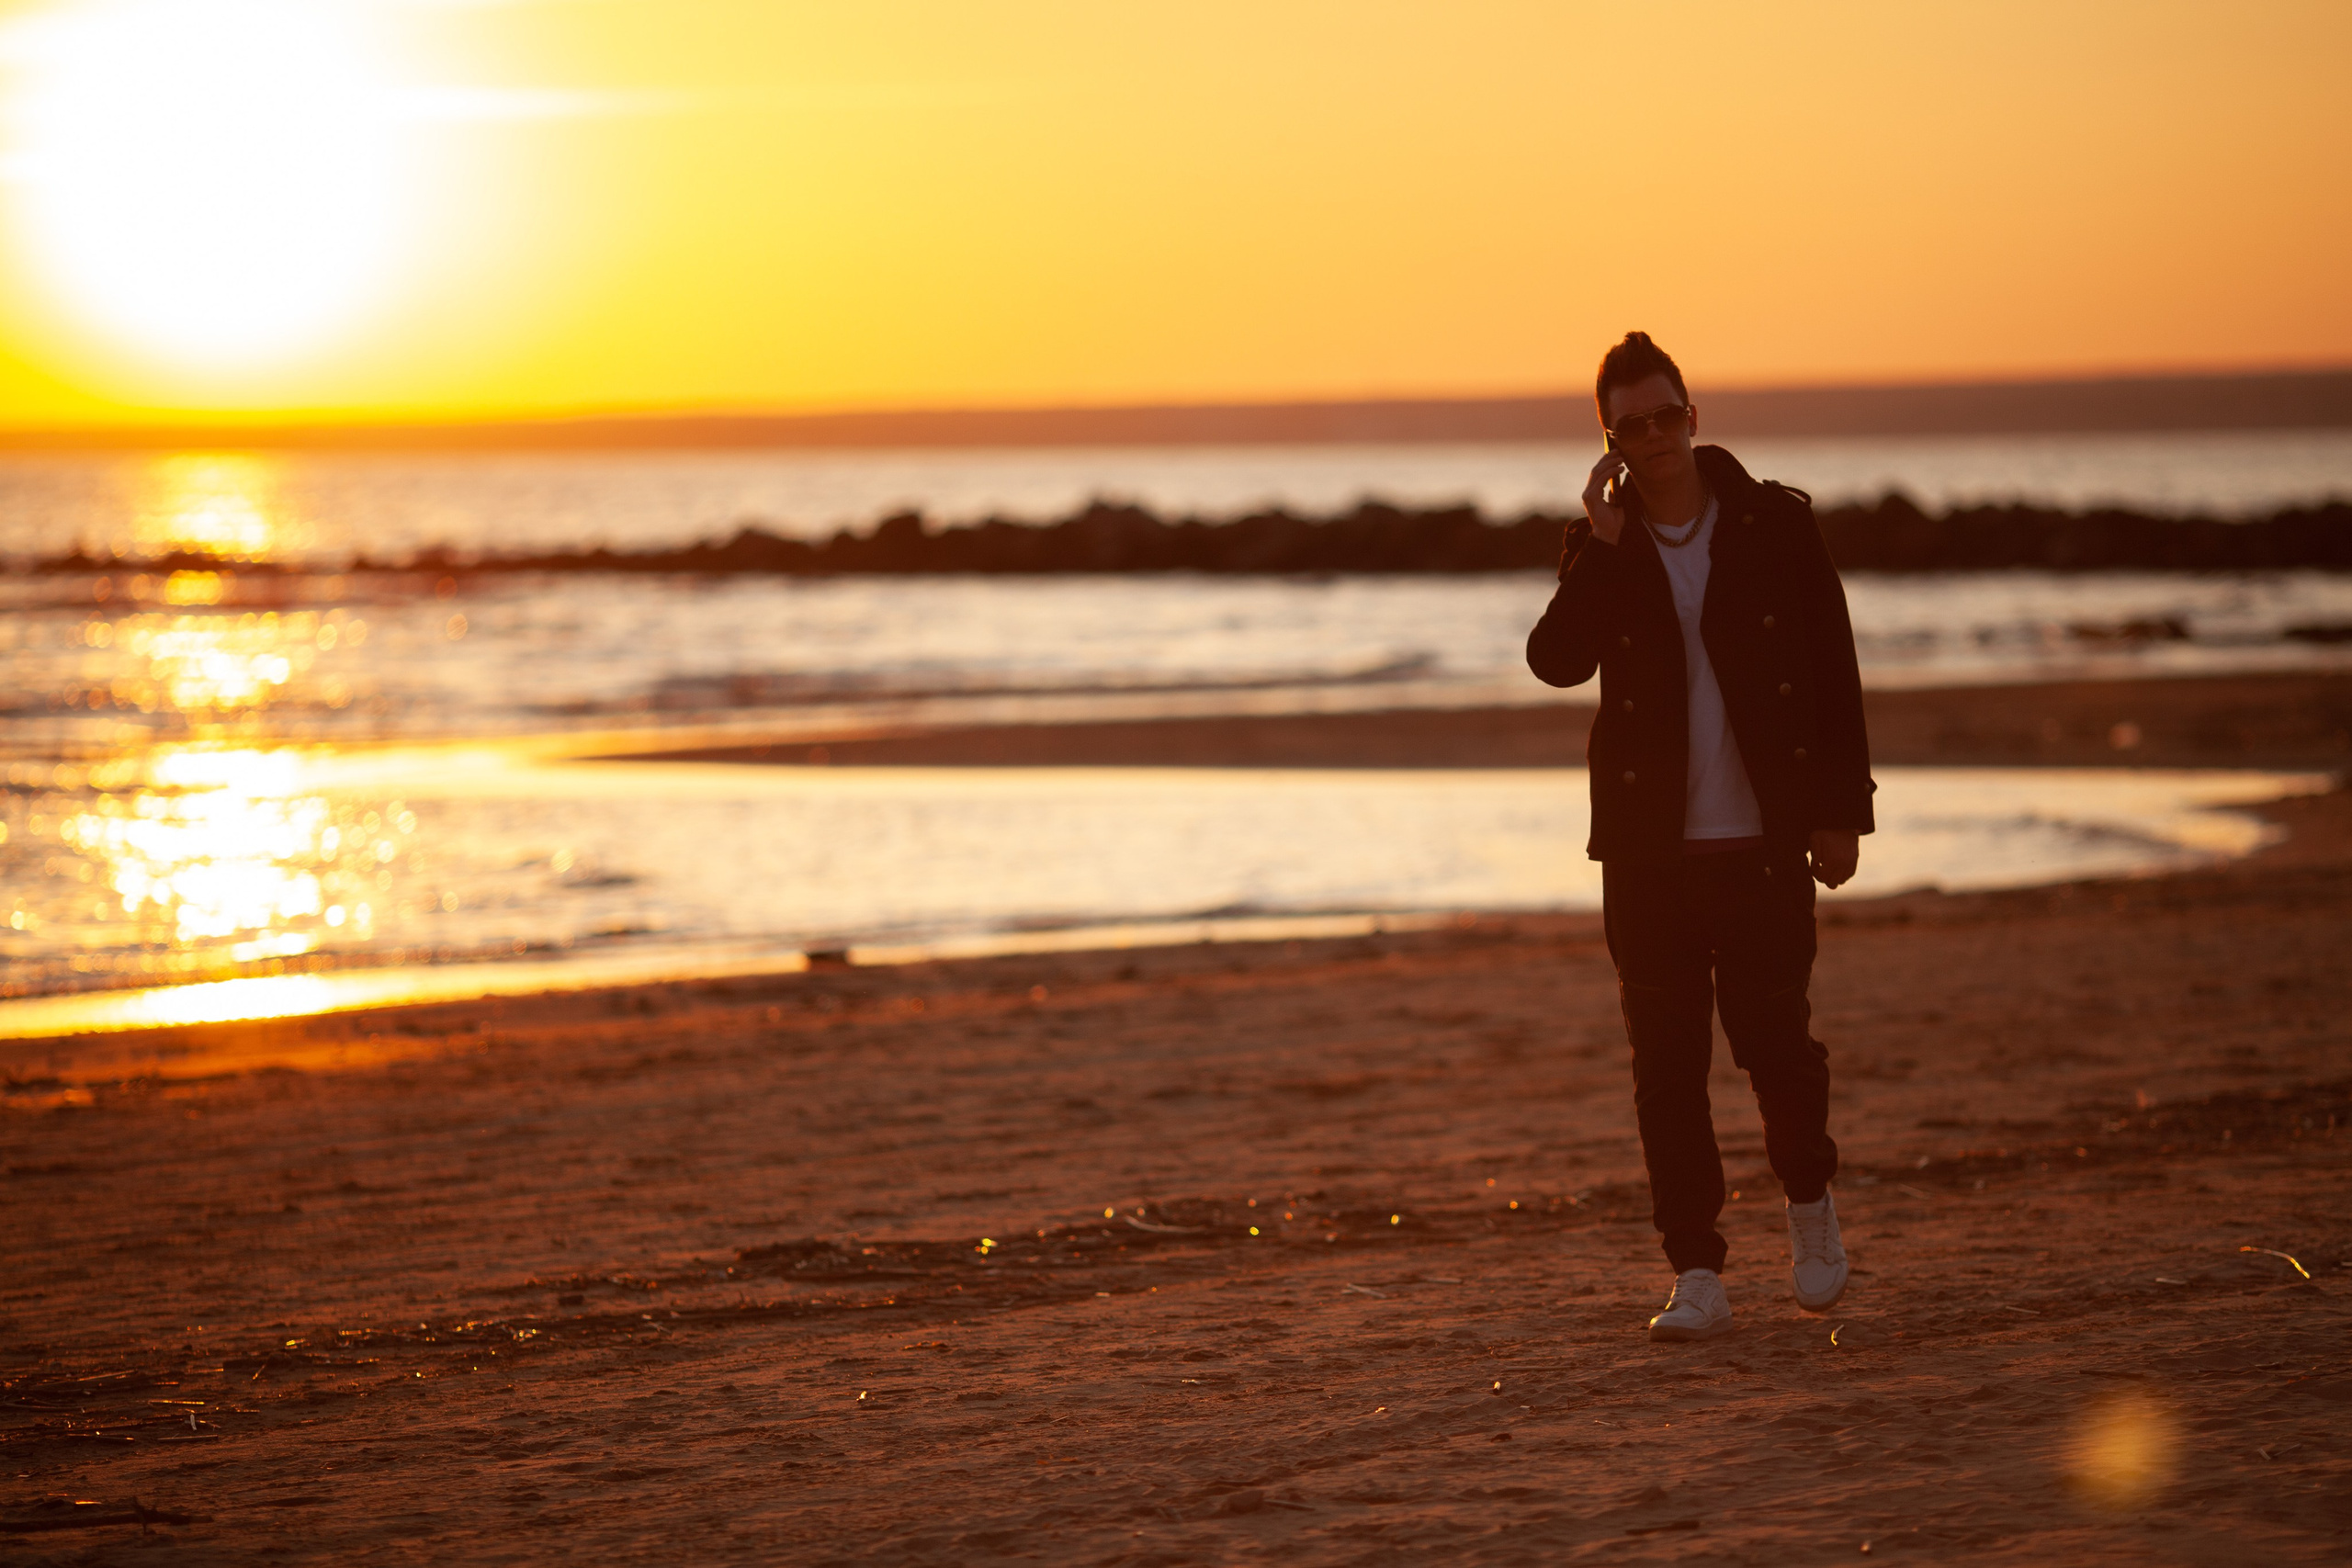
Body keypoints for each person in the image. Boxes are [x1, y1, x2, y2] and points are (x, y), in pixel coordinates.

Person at [1525, 332, 1874, 1342]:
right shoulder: (1604, 543)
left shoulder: (1773, 525)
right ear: (1610, 442)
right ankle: (1697, 1274)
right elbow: (1554, 661)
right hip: (1646, 857)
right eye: (1629, 425)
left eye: (1665, 415)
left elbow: (1831, 672)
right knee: (1665, 1070)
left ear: (1693, 415)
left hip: (1761, 843)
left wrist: (1838, 812)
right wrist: (1598, 543)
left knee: (1777, 1051)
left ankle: (1809, 1210)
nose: (1653, 436)